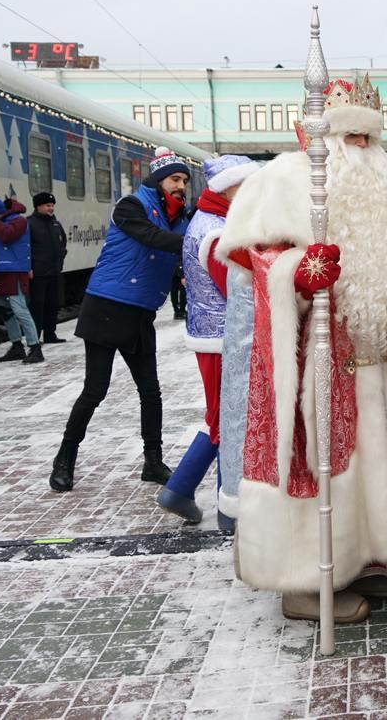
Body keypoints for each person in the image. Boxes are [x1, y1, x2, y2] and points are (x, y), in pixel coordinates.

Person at [214, 75, 387, 623]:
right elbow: (253, 258)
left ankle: (374, 562)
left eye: (368, 138)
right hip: (322, 360)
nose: (361, 149)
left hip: (384, 355)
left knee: (380, 455)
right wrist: (301, 272)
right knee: (321, 462)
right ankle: (304, 582)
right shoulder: (288, 178)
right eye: (350, 138)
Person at [50, 149, 192, 493]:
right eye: (175, 179)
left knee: (151, 392)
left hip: (141, 311)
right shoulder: (131, 206)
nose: (181, 186)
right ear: (159, 179)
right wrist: (201, 241)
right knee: (95, 390)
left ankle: (153, 462)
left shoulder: (181, 217)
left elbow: (177, 251)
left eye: (185, 181)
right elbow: (152, 238)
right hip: (107, 306)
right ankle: (65, 459)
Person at [156, 154, 259, 525]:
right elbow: (237, 292)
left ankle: (180, 490)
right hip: (223, 339)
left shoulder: (211, 220)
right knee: (229, 419)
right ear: (227, 188)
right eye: (245, 185)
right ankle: (226, 512)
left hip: (214, 336)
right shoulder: (218, 231)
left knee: (221, 415)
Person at [0, 195, 42, 364]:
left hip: (14, 270)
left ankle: (35, 347)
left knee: (19, 308)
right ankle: (17, 346)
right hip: (0, 270)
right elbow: (3, 243)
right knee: (5, 310)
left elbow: (8, 235)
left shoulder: (19, 220)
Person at [27, 190, 67, 344]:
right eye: (47, 205)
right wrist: (29, 267)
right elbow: (26, 247)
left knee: (53, 304)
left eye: (52, 205)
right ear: (38, 206)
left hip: (55, 271)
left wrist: (61, 258)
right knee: (37, 305)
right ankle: (34, 336)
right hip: (38, 272)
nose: (51, 208)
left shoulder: (55, 223)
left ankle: (50, 334)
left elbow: (62, 242)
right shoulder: (30, 223)